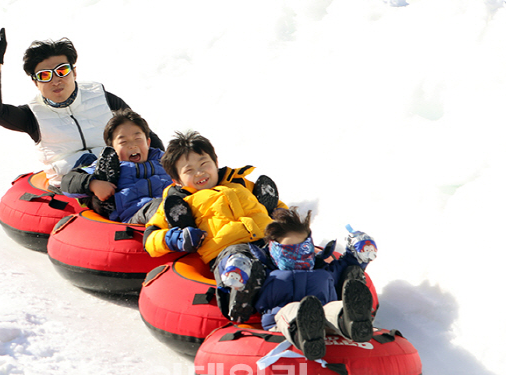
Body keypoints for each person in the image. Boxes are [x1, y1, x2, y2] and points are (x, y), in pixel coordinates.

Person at [0, 18, 163, 188]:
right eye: (45, 75)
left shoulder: (102, 98)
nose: (56, 80)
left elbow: (143, 133)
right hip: (74, 185)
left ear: (74, 72)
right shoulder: (33, 115)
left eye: (62, 71)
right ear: (35, 82)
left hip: (121, 173)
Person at [143, 131, 286, 322]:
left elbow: (277, 206)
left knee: (290, 260)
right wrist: (176, 238)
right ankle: (235, 295)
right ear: (177, 179)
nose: (200, 173)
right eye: (189, 170)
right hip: (227, 249)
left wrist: (282, 217)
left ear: (215, 162)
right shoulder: (178, 202)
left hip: (267, 240)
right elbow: (150, 237)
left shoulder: (238, 183)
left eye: (204, 164)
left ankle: (313, 288)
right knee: (239, 260)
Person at [251, 207, 378, 361]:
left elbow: (347, 265)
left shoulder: (323, 270)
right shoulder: (266, 271)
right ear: (275, 251)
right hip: (281, 321)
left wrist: (359, 251)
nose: (299, 257)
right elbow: (241, 286)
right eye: (290, 252)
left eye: (303, 250)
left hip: (324, 316)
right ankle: (305, 332)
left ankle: (351, 320)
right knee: (293, 310)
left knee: (332, 308)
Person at [60, 109, 172, 224]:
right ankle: (103, 194)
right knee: (160, 207)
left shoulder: (164, 160)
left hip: (174, 203)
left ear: (148, 142)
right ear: (113, 148)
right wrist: (93, 184)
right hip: (137, 215)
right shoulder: (114, 165)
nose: (132, 146)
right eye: (123, 142)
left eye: (138, 139)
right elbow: (67, 183)